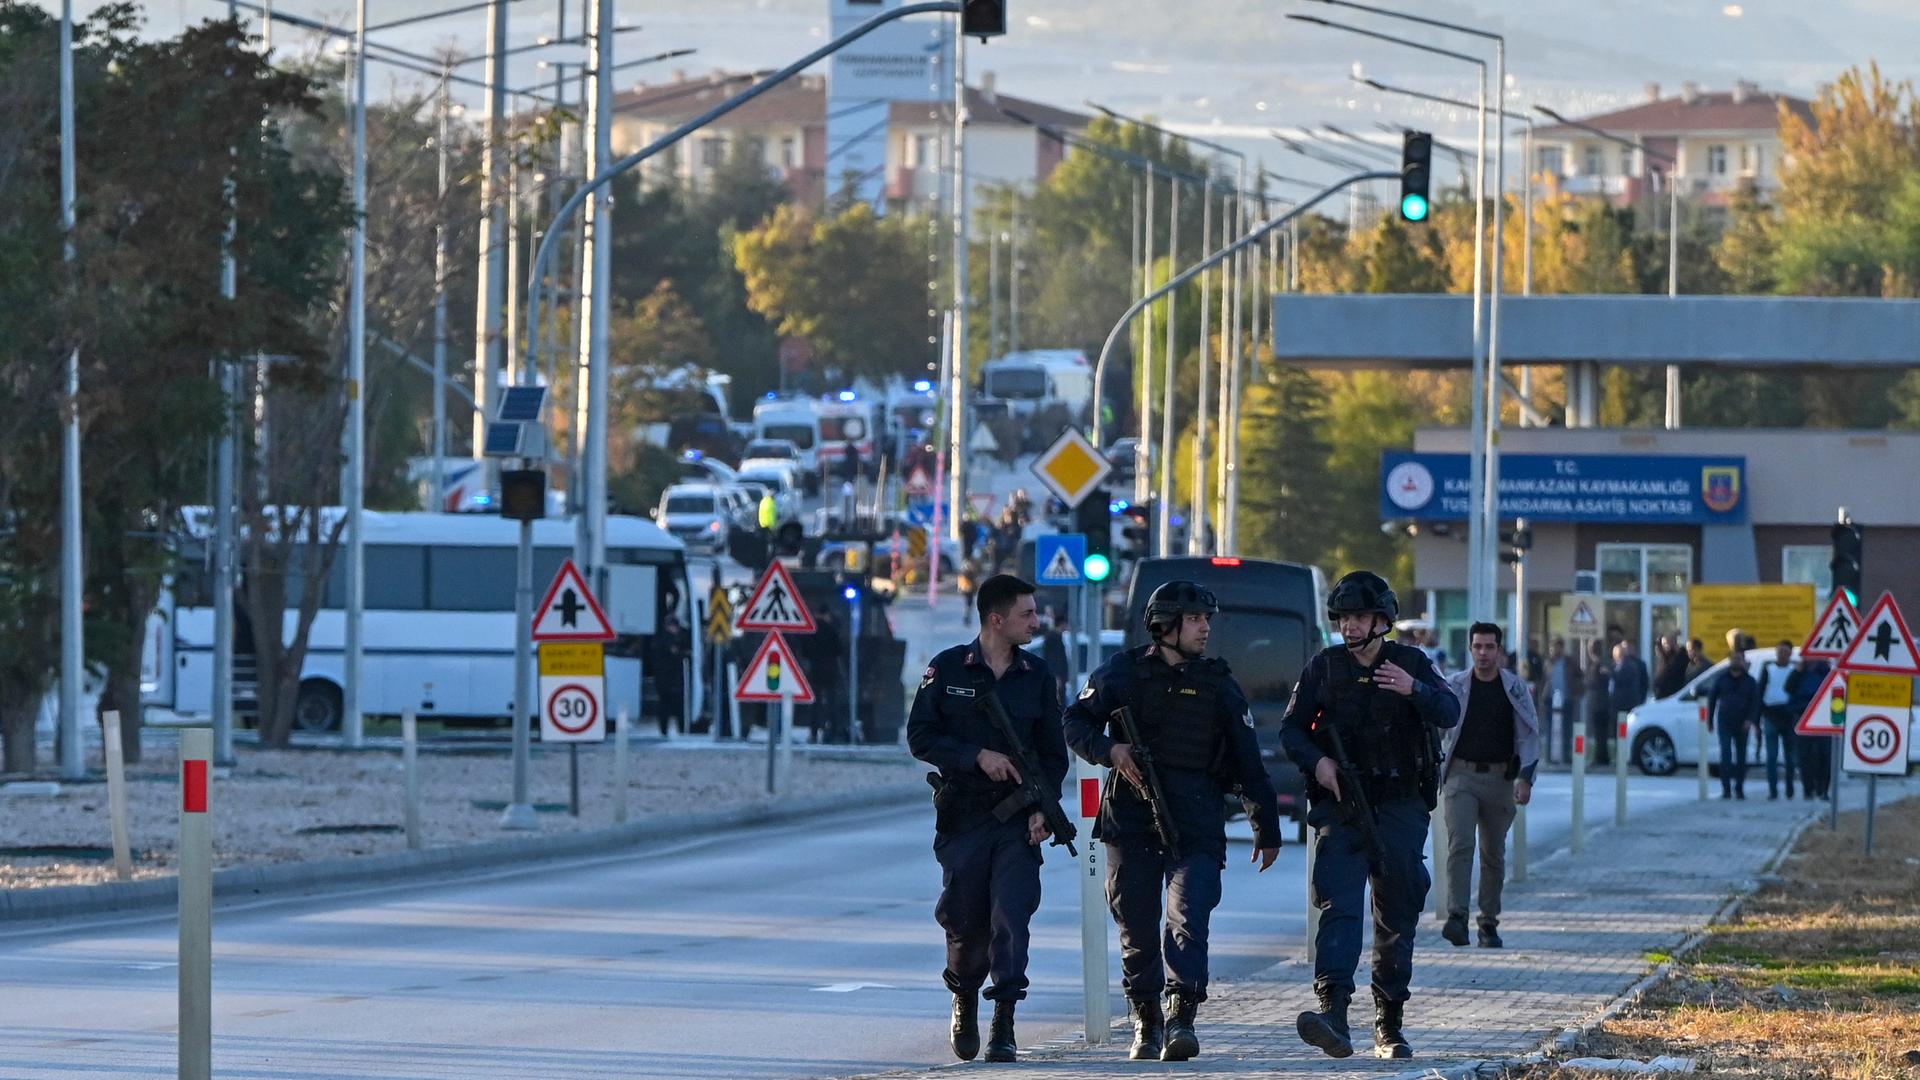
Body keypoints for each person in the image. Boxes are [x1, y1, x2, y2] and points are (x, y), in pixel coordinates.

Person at [1062, 582, 1282, 1062]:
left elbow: (1248, 761)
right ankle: (1146, 1021)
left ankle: (1181, 1016)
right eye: (1196, 619)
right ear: (1167, 625)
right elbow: (1075, 721)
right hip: (1130, 820)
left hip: (1196, 821)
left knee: (1188, 918)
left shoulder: (1218, 683)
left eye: (1208, 619)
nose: (1206, 628)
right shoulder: (1121, 672)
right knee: (1136, 927)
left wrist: (1266, 827)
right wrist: (1110, 750)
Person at [1282, 571, 1459, 1061]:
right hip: (1341, 805)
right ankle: (1333, 1011)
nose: (1350, 626)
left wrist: (1413, 690)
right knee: (1338, 900)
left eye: (1359, 617)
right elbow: (1292, 730)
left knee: (1397, 907)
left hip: (1400, 803)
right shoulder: (1324, 668)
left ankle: (1389, 1020)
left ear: (1382, 620)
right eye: (1343, 618)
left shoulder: (1411, 663)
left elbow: (1448, 709)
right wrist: (1319, 762)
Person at [906, 574, 1068, 1063]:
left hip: (1018, 821)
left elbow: (1052, 754)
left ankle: (1004, 1021)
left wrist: (1044, 807)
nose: (1036, 622)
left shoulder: (1037, 676)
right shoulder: (949, 668)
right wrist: (975, 754)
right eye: (1027, 614)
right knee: (965, 917)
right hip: (964, 817)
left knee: (1011, 915)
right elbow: (920, 736)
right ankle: (964, 997)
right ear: (996, 620)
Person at [1440, 622, 1540, 950]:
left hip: (1500, 778)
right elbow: (1437, 728)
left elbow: (1529, 734)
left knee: (1493, 854)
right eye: (1477, 647)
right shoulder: (1455, 686)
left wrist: (1525, 777)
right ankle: (1457, 917)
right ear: (1470, 649)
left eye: (1489, 647)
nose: (1483, 653)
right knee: (1461, 844)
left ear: (1499, 650)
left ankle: (1488, 922)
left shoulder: (1513, 688)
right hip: (1461, 776)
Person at [1707, 648, 1761, 799]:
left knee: (1741, 756)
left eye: (1739, 659)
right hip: (1725, 720)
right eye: (1733, 659)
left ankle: (1739, 788)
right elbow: (1712, 700)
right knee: (1726, 754)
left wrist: (1750, 720)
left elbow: (1755, 703)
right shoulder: (1721, 679)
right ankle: (1726, 789)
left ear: (1743, 661)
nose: (1736, 661)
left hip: (1743, 722)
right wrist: (1709, 721)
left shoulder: (1750, 681)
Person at [1755, 641, 1799, 800]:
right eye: (1780, 651)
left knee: (1790, 758)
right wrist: (1757, 718)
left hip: (1789, 717)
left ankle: (1790, 789)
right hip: (1771, 715)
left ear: (1790, 653)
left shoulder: (1794, 670)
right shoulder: (1768, 669)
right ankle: (1773, 791)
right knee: (1772, 756)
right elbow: (1759, 693)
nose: (1782, 654)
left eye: (1785, 652)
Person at [1789, 658, 1834, 801]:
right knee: (1804, 756)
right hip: (1802, 716)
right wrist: (1798, 672)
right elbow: (1789, 688)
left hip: (1824, 717)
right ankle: (1808, 789)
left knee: (1825, 755)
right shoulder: (1799, 673)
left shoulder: (1825, 671)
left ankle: (1823, 789)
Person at [1583, 641, 1614, 765]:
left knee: (1599, 732)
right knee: (1602, 732)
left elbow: (1593, 683)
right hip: (1604, 702)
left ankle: (1600, 757)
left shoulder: (1598, 665)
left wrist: (1586, 682)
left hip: (1599, 703)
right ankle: (1603, 756)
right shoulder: (1605, 664)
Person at [1039, 610, 1070, 700]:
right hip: (1057, 678)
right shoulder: (1053, 638)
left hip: (1060, 678)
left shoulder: (1057, 637)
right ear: (1062, 624)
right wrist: (1055, 676)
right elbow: (1052, 658)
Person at [1653, 634, 1691, 699]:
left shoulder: (1681, 656)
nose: (1666, 646)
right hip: (1661, 694)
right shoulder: (1663, 657)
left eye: (1668, 643)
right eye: (1664, 644)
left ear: (1674, 643)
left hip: (1675, 694)